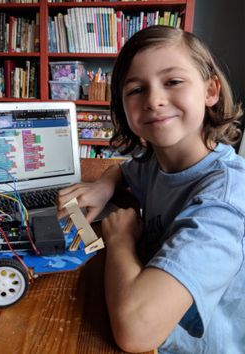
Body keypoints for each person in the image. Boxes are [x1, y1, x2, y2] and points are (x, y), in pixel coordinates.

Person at [57, 26, 245, 353]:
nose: (154, 100)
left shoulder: (225, 202)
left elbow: (136, 331)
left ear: (210, 90)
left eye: (173, 82)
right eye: (136, 89)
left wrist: (119, 240)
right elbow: (126, 169)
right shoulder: (162, 162)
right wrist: (103, 186)